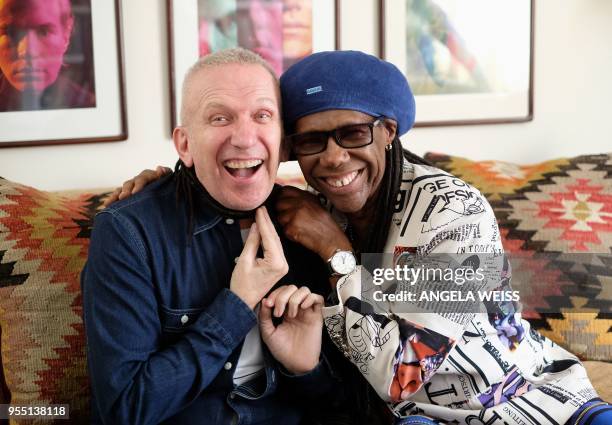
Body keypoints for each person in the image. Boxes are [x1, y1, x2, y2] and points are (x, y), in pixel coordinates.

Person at [110, 50, 611, 424]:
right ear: (292, 150)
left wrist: (338, 255)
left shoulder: (452, 213)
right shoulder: (309, 206)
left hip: (526, 403)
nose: (332, 159)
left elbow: (407, 377)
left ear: (389, 132)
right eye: (311, 141)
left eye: (353, 134)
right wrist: (174, 176)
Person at [82, 48, 338, 425]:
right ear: (185, 144)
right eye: (220, 118)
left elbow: (348, 403)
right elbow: (123, 410)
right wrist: (236, 306)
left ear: (282, 140)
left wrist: (304, 369)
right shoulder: (128, 232)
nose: (244, 138)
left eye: (262, 115)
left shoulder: (315, 223)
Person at [0, 0, 95, 112]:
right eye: (10, 31)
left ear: (66, 34)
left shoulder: (88, 106)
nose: (26, 51)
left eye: (43, 32)